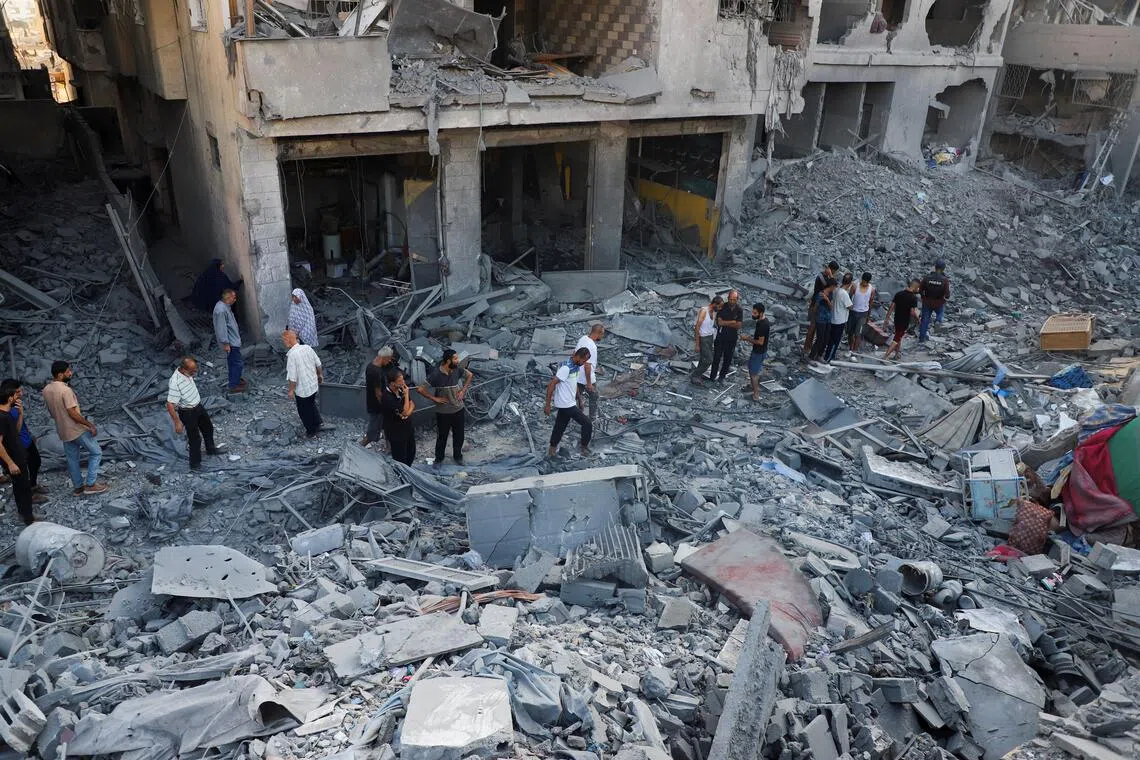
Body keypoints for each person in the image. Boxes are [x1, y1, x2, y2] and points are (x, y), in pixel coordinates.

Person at [42, 361, 107, 495]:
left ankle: (78, 487)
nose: (71, 373)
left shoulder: (47, 390)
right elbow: (72, 413)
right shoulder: (65, 390)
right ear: (60, 375)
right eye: (68, 372)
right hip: (76, 429)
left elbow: (52, 413)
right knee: (96, 452)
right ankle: (91, 484)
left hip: (63, 430)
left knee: (72, 460)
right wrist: (89, 425)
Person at [418, 348, 473, 469]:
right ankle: (439, 459)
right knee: (442, 437)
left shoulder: (457, 369)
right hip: (443, 412)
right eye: (455, 358)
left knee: (459, 435)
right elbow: (420, 389)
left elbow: (470, 375)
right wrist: (434, 398)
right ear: (448, 361)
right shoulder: (436, 374)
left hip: (458, 409)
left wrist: (462, 391)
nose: (458, 360)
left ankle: (458, 457)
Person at [165, 357, 222, 471]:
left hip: (197, 406)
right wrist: (177, 422)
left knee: (208, 428)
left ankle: (211, 449)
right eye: (192, 372)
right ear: (183, 370)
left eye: (195, 370)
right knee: (195, 439)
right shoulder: (175, 382)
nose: (194, 373)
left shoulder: (186, 373)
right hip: (187, 412)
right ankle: (195, 464)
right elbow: (170, 404)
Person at [0, 379, 46, 503]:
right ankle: (28, 496)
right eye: (18, 392)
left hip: (27, 440)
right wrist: (21, 414)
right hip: (18, 445)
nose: (21, 393)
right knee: (23, 474)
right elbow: (15, 431)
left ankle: (33, 486)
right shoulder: (6, 411)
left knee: (36, 462)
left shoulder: (15, 405)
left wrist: (29, 435)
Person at [545, 347, 592, 457]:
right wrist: (547, 405)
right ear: (578, 357)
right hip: (565, 404)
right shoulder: (566, 368)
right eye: (584, 360)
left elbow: (574, 384)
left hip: (569, 402)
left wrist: (579, 400)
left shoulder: (576, 366)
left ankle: (552, 450)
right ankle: (584, 448)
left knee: (560, 427)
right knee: (587, 423)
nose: (584, 363)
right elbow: (551, 384)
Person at [0, 387, 36, 524]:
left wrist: (20, 414)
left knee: (20, 486)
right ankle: (29, 520)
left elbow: (16, 431)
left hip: (17, 457)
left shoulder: (7, 414)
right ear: (10, 398)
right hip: (14, 459)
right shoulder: (2, 417)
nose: (18, 396)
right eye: (15, 395)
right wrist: (10, 463)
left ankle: (24, 514)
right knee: (23, 488)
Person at [283, 329, 324, 438]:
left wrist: (291, 390)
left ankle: (311, 432)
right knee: (311, 404)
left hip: (302, 390)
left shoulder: (292, 355)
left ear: (287, 341)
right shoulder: (308, 348)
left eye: (284, 340)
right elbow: (318, 363)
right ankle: (318, 422)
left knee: (304, 411)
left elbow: (293, 377)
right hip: (313, 385)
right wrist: (320, 375)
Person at [363, 347, 398, 446]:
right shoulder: (376, 372)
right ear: (384, 358)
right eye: (389, 358)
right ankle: (359, 447)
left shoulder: (370, 365)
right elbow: (378, 393)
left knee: (387, 426)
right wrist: (385, 405)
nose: (390, 361)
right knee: (373, 430)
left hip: (373, 403)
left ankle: (389, 447)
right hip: (377, 406)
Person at [381, 369, 416, 465]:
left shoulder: (401, 390)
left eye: (403, 380)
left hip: (407, 428)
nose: (403, 382)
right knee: (400, 458)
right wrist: (406, 395)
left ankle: (408, 470)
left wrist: (407, 414)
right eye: (400, 381)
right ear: (392, 383)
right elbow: (404, 411)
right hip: (396, 433)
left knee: (411, 453)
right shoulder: (387, 397)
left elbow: (412, 404)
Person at [213, 289, 246, 393]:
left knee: (233, 362)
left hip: (232, 341)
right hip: (231, 343)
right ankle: (234, 385)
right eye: (233, 298)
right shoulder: (221, 310)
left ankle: (235, 379)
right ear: (228, 298)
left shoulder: (224, 307)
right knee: (237, 363)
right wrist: (226, 343)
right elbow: (221, 328)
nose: (235, 300)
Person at [804, 260, 838, 354]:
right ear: (831, 269)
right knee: (812, 328)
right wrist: (831, 275)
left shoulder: (826, 277)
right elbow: (830, 285)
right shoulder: (821, 277)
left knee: (816, 329)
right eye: (834, 271)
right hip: (815, 306)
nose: (834, 273)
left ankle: (810, 347)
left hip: (821, 307)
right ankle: (806, 348)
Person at [710, 290, 744, 384]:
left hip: (732, 338)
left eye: (734, 300)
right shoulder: (723, 306)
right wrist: (732, 322)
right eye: (730, 299)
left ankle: (722, 377)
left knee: (727, 359)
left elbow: (739, 325)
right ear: (728, 298)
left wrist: (726, 323)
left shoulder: (739, 310)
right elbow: (719, 322)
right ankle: (712, 377)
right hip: (720, 337)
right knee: (716, 357)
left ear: (737, 300)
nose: (732, 301)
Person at [739, 303, 770, 402]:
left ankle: (756, 395)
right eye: (753, 312)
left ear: (761, 313)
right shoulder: (761, 321)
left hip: (758, 352)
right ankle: (752, 387)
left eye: (755, 313)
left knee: (754, 374)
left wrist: (747, 338)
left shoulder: (763, 325)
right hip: (758, 351)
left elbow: (760, 342)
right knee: (751, 369)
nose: (753, 314)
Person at [884, 279, 921, 360]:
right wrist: (918, 318)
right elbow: (912, 312)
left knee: (898, 336)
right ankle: (885, 356)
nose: (918, 290)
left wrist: (887, 318)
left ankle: (897, 354)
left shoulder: (899, 294)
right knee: (897, 339)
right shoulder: (913, 298)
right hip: (904, 321)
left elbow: (891, 307)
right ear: (916, 287)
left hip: (896, 318)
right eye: (918, 288)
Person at [691, 296, 723, 385]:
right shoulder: (704, 311)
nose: (720, 308)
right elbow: (697, 327)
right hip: (703, 338)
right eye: (719, 306)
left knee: (703, 358)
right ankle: (695, 375)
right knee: (709, 360)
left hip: (710, 337)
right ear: (714, 304)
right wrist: (697, 344)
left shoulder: (714, 312)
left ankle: (697, 375)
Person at [575, 324, 604, 421]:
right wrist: (589, 383)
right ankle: (592, 419)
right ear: (598, 333)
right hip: (586, 378)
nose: (602, 336)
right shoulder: (592, 346)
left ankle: (575, 415)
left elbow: (574, 354)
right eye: (602, 334)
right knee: (594, 396)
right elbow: (587, 366)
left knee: (576, 396)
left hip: (577, 375)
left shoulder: (583, 339)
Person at [919, 259, 951, 342]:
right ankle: (938, 320)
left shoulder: (927, 277)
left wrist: (923, 297)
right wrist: (945, 298)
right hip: (939, 302)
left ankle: (921, 339)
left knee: (925, 321)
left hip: (927, 302)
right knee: (940, 312)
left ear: (935, 267)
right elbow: (947, 294)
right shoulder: (945, 280)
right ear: (943, 268)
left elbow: (920, 290)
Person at [824, 273, 853, 363]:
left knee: (831, 339)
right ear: (850, 283)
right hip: (839, 320)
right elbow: (850, 306)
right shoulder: (844, 294)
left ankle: (828, 355)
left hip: (833, 318)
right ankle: (829, 358)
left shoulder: (836, 290)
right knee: (835, 341)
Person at [848, 272, 876, 353]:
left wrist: (868, 315)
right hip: (853, 312)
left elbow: (871, 302)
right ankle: (850, 348)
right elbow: (849, 298)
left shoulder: (872, 289)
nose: (864, 284)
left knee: (858, 333)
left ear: (869, 282)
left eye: (866, 282)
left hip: (863, 314)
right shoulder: (855, 286)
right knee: (850, 332)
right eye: (863, 281)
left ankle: (854, 351)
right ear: (862, 279)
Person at [809, 278, 835, 361]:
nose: (834, 288)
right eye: (834, 287)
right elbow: (815, 308)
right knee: (820, 339)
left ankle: (819, 355)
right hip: (821, 319)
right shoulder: (820, 294)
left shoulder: (831, 294)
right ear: (831, 286)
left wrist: (827, 299)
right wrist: (815, 317)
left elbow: (831, 307)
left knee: (826, 339)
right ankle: (811, 357)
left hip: (828, 319)